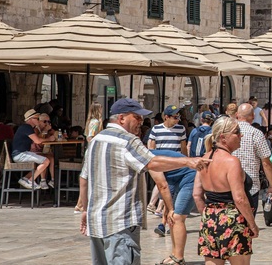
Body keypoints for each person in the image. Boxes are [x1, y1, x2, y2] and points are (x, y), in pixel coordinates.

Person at [78, 98, 210, 265]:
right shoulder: (128, 140)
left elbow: (84, 179)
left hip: (97, 221)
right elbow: (152, 162)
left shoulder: (96, 140)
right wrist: (187, 161)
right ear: (122, 118)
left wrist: (85, 210)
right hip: (120, 222)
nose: (141, 121)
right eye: (137, 117)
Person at [193, 115, 259, 265]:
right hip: (233, 218)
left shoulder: (204, 159)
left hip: (209, 218)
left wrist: (209, 218)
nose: (240, 135)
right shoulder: (231, 162)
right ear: (223, 137)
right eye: (236, 132)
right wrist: (252, 224)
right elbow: (239, 198)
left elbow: (197, 195)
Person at [150, 149, 198, 265]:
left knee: (177, 218)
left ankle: (179, 258)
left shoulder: (149, 159)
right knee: (171, 218)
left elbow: (163, 186)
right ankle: (174, 254)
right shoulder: (149, 155)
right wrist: (167, 210)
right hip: (177, 179)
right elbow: (167, 188)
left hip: (190, 177)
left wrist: (171, 209)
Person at [234, 103, 272, 211]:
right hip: (251, 186)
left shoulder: (228, 132)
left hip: (230, 185)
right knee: (248, 223)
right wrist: (271, 185)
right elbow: (266, 163)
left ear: (237, 115)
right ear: (253, 116)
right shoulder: (256, 133)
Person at [10, 109, 52, 190]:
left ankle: (25, 179)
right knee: (46, 161)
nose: (38, 120)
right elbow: (37, 141)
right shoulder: (26, 127)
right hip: (20, 154)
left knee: (42, 162)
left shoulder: (27, 128)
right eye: (36, 118)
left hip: (21, 154)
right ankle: (30, 180)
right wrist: (49, 139)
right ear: (30, 119)